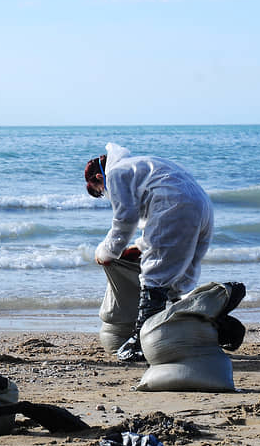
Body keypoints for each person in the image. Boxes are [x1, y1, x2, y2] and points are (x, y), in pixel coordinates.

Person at [84, 143, 214, 362]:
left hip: (175, 207)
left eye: (100, 191)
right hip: (202, 208)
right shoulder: (139, 165)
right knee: (181, 282)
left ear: (99, 176)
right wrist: (141, 246)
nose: (106, 195)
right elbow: (152, 214)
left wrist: (106, 252)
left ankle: (142, 342)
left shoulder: (115, 174)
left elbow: (125, 221)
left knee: (155, 276)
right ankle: (208, 322)